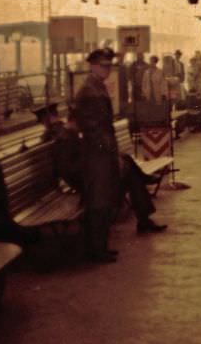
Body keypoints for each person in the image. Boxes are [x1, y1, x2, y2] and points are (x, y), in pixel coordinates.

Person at [35, 103, 167, 237]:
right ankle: (144, 219)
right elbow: (71, 168)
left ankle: (144, 219)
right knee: (130, 174)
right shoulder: (64, 137)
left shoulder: (68, 134)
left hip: (90, 178)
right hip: (86, 182)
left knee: (127, 170)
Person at [74, 48, 122, 263]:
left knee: (103, 202)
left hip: (102, 154)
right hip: (96, 156)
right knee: (98, 203)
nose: (107, 69)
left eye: (109, 65)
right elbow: (91, 126)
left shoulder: (96, 86)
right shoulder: (89, 90)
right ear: (92, 66)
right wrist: (107, 148)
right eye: (104, 65)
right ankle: (96, 250)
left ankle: (101, 246)